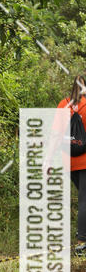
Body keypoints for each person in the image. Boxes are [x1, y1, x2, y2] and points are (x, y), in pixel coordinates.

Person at [58, 74, 86, 256]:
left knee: (83, 197)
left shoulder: (63, 104)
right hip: (84, 160)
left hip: (68, 160)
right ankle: (81, 242)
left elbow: (55, 134)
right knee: (84, 200)